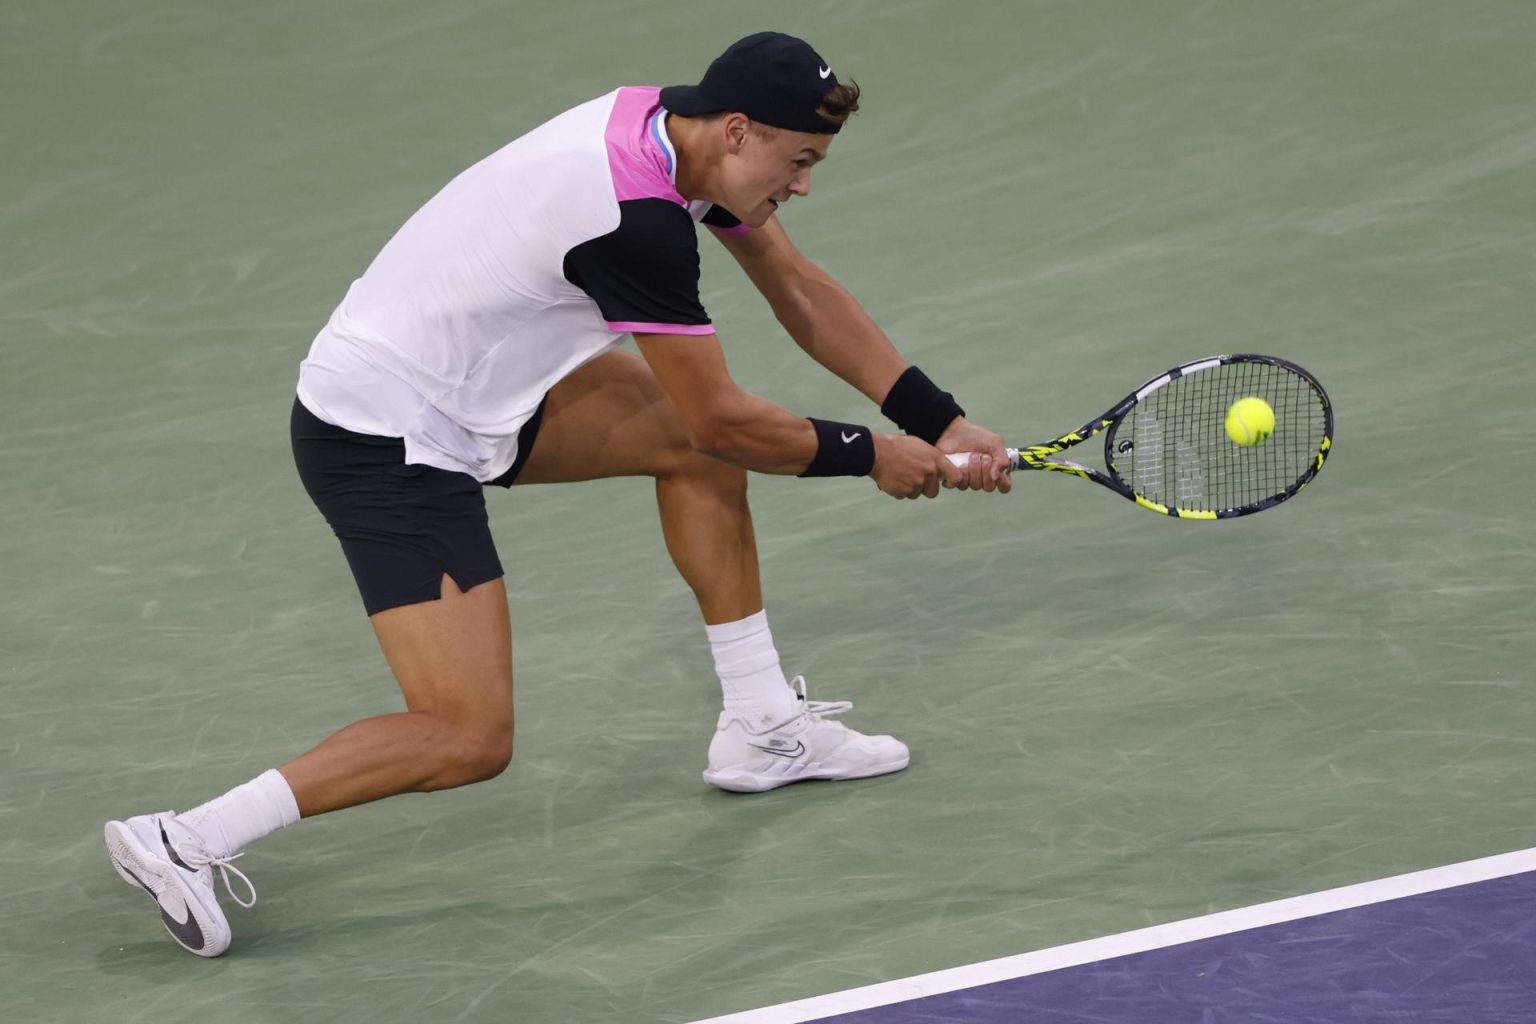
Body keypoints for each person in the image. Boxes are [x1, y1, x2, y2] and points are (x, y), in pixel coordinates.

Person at [104, 31, 1012, 958]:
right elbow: (725, 423)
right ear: (739, 130)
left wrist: (937, 421)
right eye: (801, 161)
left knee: (688, 447)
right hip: (382, 435)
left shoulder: (677, 134)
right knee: (468, 735)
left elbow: (802, 292)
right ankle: (185, 837)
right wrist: (872, 455)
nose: (805, 185)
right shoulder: (635, 217)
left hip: (475, 383)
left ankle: (761, 725)